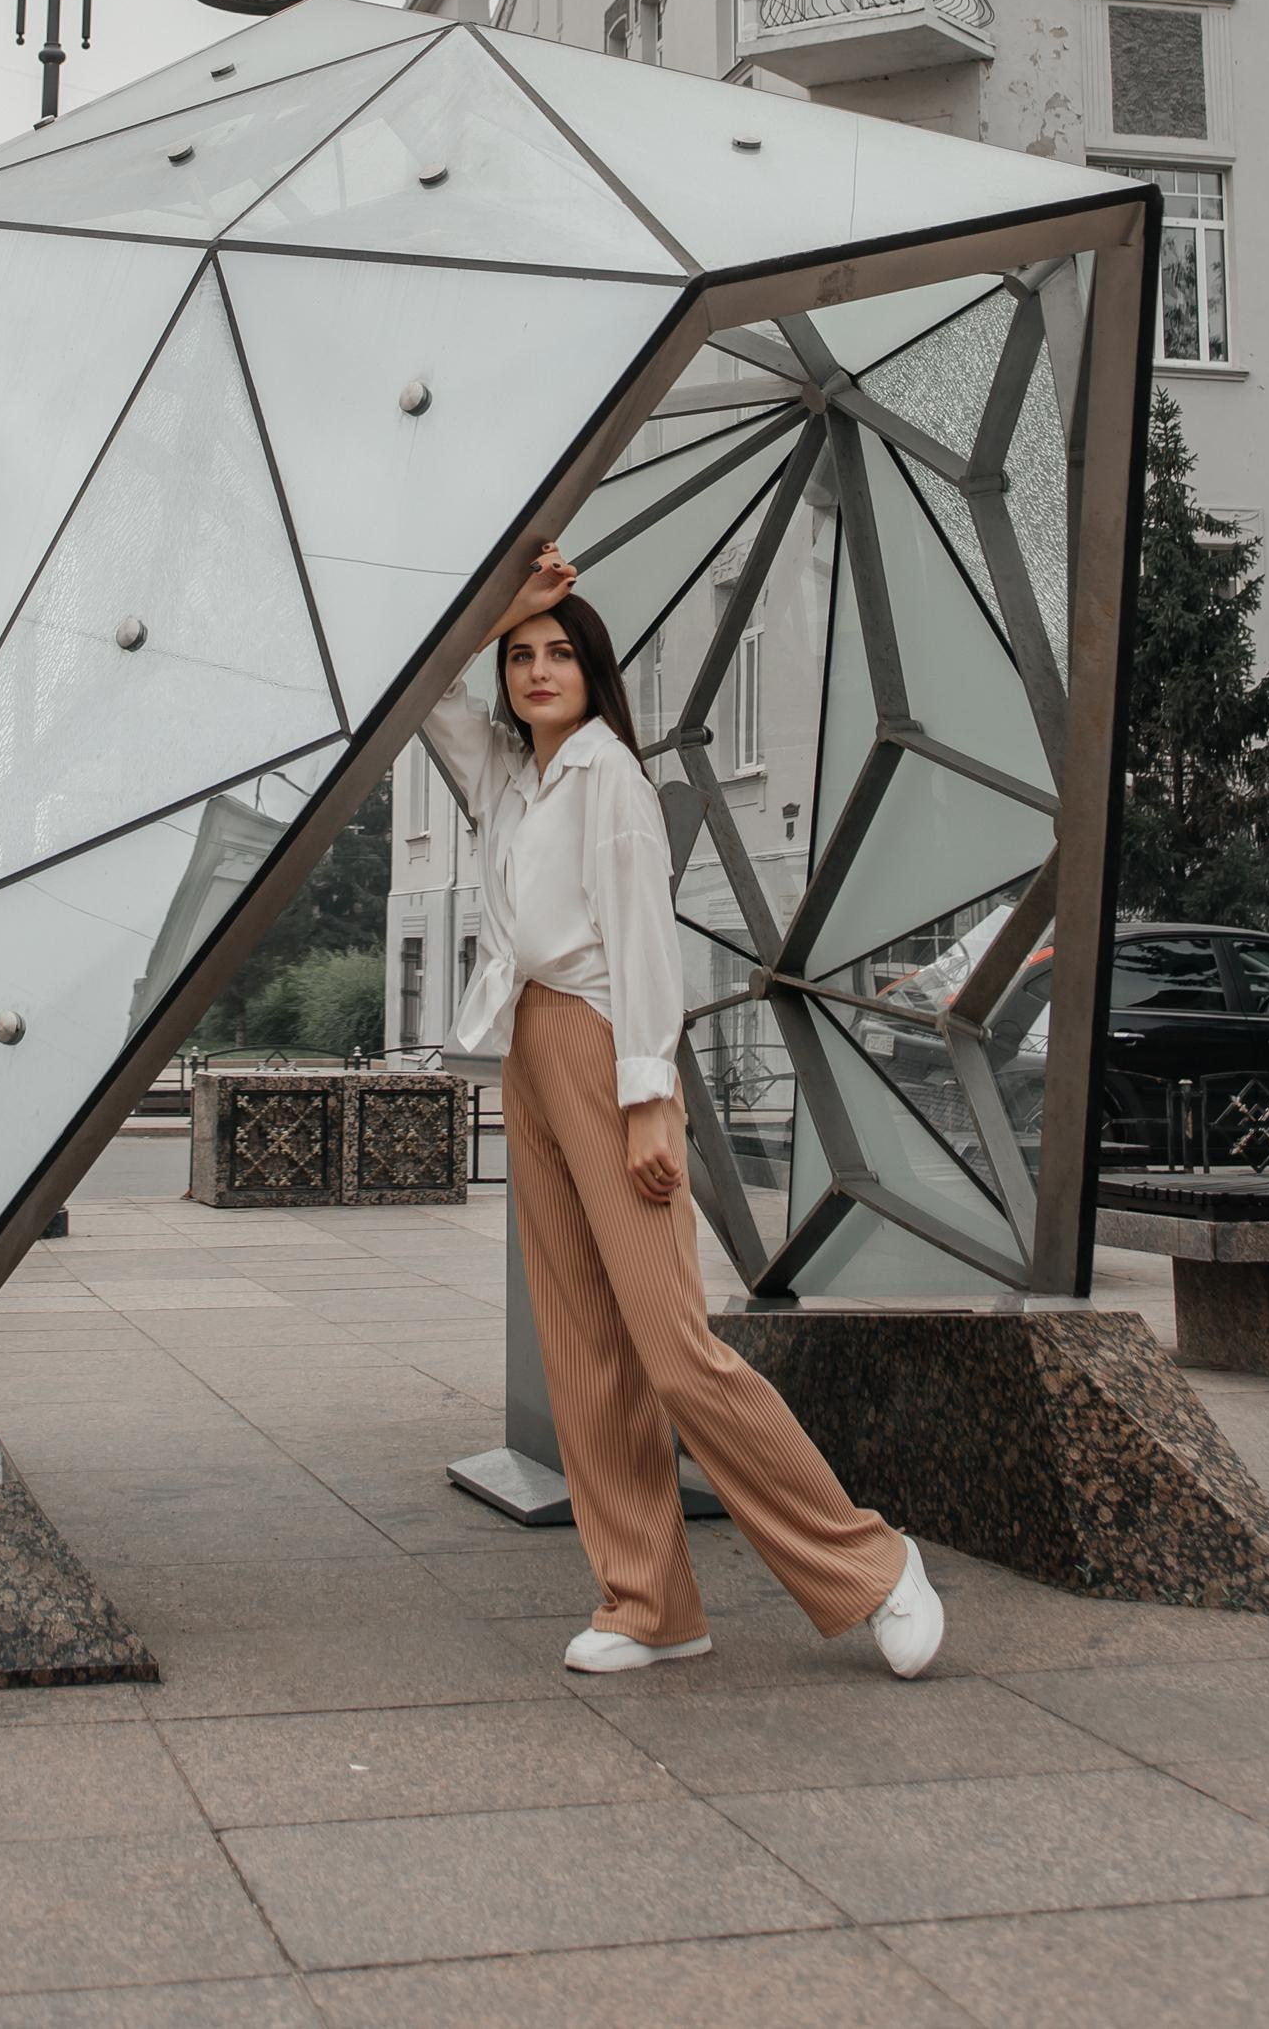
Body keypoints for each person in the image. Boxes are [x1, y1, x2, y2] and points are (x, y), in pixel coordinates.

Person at [427, 543, 945, 1682]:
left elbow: (642, 938)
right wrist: (503, 604)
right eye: (521, 656)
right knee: (583, 1347)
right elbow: (423, 689)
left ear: (595, 669)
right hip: (526, 1045)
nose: (535, 669)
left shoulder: (607, 773)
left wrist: (651, 1095)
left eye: (558, 651)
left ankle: (872, 1559)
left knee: (672, 1350)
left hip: (604, 1041)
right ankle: (647, 1599)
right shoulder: (507, 775)